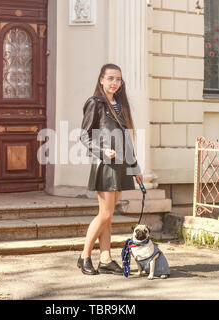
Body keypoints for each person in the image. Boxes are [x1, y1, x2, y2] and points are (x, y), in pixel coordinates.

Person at [77, 63, 143, 275]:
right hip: (105, 165)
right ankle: (84, 256)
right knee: (105, 213)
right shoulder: (95, 103)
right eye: (111, 78)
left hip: (122, 165)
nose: (115, 83)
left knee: (108, 214)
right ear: (101, 80)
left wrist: (135, 167)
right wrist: (102, 151)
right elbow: (84, 135)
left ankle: (105, 258)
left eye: (118, 79)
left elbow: (126, 140)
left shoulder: (119, 105)